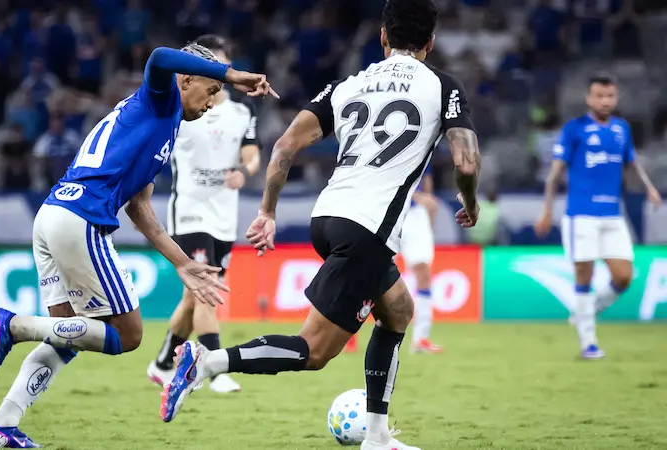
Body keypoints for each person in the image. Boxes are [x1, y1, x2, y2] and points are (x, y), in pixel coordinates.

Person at [161, 1, 482, 449]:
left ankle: (377, 436)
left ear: (383, 37)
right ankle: (208, 361)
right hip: (368, 230)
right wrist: (469, 201)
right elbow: (465, 158)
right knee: (312, 352)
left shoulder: (349, 84)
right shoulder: (443, 86)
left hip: (328, 217)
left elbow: (285, 146)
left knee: (399, 310)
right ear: (430, 41)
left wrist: (267, 212)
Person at [0, 43, 275, 448]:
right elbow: (158, 57)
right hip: (81, 219)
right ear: (186, 79)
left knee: (65, 338)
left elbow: (140, 209)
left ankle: (2, 425)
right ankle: (13, 325)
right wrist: (232, 74)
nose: (213, 101)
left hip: (52, 216)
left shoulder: (164, 124)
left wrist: (183, 264)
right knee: (128, 334)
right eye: (210, 90)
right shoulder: (159, 97)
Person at [147, 35, 260, 394]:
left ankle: (163, 363)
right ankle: (214, 367)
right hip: (190, 211)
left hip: (224, 215)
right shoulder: (183, 107)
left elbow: (253, 153)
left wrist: (247, 171)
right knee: (206, 289)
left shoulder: (243, 113)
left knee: (192, 296)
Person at [534, 74, 661, 360]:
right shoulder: (574, 129)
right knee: (584, 275)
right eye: (599, 96)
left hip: (613, 216)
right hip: (581, 216)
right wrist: (547, 210)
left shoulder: (621, 129)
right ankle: (588, 343)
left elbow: (632, 163)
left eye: (610, 96)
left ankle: (585, 313)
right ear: (588, 99)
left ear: (616, 99)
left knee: (624, 276)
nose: (605, 101)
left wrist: (650, 188)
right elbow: (555, 173)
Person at [402, 165, 443, 354]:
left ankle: (420, 339)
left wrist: (427, 204)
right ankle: (346, 334)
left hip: (414, 215)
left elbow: (426, 177)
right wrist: (416, 197)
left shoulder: (424, 140)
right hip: (386, 211)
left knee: (423, 273)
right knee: (369, 270)